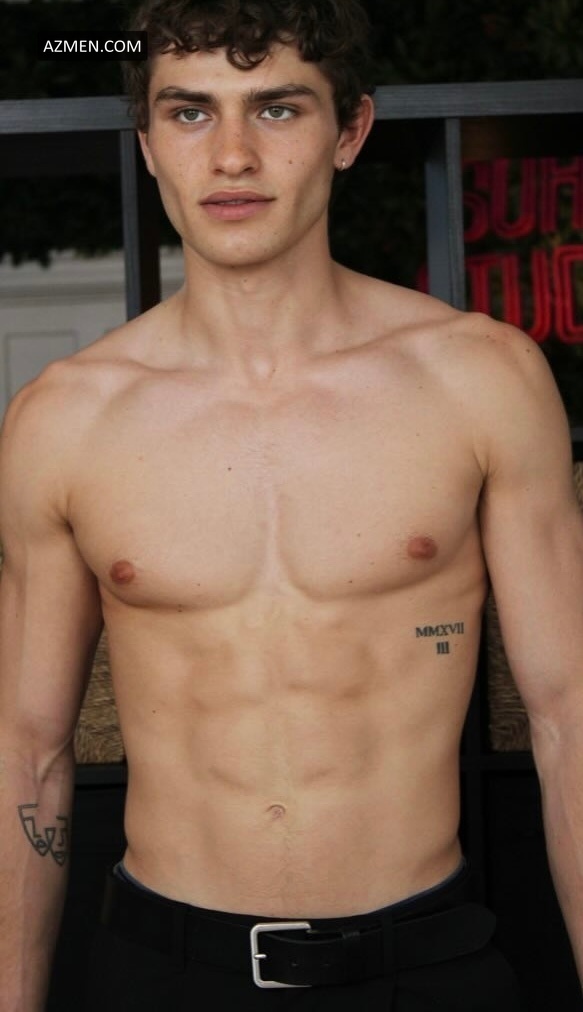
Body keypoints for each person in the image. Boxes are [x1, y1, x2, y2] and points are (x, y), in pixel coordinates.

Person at [1, 0, 582, 1008]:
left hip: (425, 968)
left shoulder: (479, 380)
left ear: (349, 130)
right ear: (147, 143)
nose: (231, 155)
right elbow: (27, 752)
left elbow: (569, 717)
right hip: (163, 975)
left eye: (276, 109)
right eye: (189, 113)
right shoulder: (63, 418)